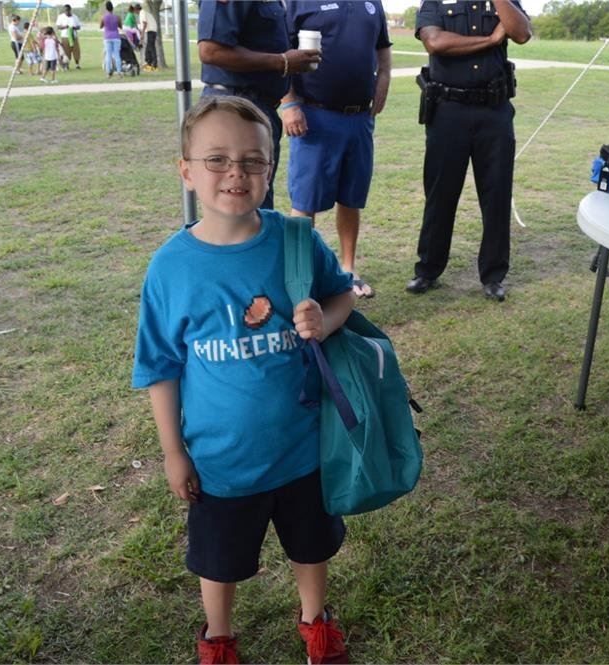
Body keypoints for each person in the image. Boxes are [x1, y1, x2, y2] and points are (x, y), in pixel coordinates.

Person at [132, 95, 355, 665]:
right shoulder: (171, 267)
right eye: (216, 159)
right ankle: (219, 636)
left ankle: (316, 622)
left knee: (311, 547)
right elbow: (160, 366)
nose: (237, 172)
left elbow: (343, 293)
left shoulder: (296, 239)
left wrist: (323, 320)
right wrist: (172, 453)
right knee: (219, 560)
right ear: (185, 170)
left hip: (303, 447)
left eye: (253, 160)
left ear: (272, 168)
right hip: (221, 460)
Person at [407, 0, 531, 302]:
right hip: (448, 111)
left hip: (494, 111)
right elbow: (435, 42)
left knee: (496, 195)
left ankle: (493, 275)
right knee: (440, 194)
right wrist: (490, 39)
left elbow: (522, 33)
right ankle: (428, 269)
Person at [282, 0, 392, 299]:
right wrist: (289, 103)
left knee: (352, 197)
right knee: (304, 201)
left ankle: (348, 269)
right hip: (315, 116)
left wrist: (384, 80)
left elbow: (382, 47)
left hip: (358, 119)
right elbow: (281, 53)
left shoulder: (372, 3)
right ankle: (300, 279)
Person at [197, 0, 321, 209]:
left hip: (258, 107)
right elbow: (210, 51)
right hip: (236, 108)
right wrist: (281, 61)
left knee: (257, 201)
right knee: (240, 204)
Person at [100, 0, 123, 79]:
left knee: (108, 55)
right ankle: (119, 72)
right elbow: (120, 26)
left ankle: (108, 72)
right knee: (117, 55)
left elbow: (101, 26)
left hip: (107, 37)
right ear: (112, 8)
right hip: (116, 37)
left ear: (106, 8)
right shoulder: (117, 17)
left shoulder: (103, 17)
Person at [55, 4, 81, 70]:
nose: (67, 12)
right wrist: (64, 27)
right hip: (65, 37)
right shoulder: (61, 17)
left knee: (76, 50)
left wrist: (74, 28)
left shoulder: (75, 17)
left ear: (70, 10)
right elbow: (58, 26)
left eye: (68, 10)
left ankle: (77, 64)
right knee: (66, 51)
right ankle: (67, 65)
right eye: (65, 10)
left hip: (73, 36)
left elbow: (79, 26)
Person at [140, 2, 158, 70]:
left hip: (151, 30)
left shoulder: (142, 13)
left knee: (151, 47)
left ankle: (154, 64)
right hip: (152, 30)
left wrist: (142, 34)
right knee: (149, 48)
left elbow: (144, 23)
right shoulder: (144, 12)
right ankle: (149, 63)